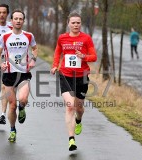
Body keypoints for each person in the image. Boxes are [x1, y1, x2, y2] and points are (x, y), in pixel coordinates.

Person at [51, 12, 97, 151]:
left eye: (78, 22)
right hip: (66, 74)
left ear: (80, 24)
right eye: (73, 22)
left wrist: (84, 56)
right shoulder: (62, 38)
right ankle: (71, 140)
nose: (76, 25)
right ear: (68, 24)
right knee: (70, 106)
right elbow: (58, 52)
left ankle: (79, 120)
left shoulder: (86, 38)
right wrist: (55, 65)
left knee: (79, 108)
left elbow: (94, 56)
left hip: (82, 76)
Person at [0, 9, 38, 142]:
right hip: (9, 74)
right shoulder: (5, 36)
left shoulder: (29, 36)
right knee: (12, 105)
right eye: (16, 19)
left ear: (23, 21)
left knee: (23, 99)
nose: (18, 21)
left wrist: (33, 60)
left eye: (21, 19)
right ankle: (13, 129)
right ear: (12, 21)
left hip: (23, 73)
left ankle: (22, 108)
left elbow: (35, 49)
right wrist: (1, 63)